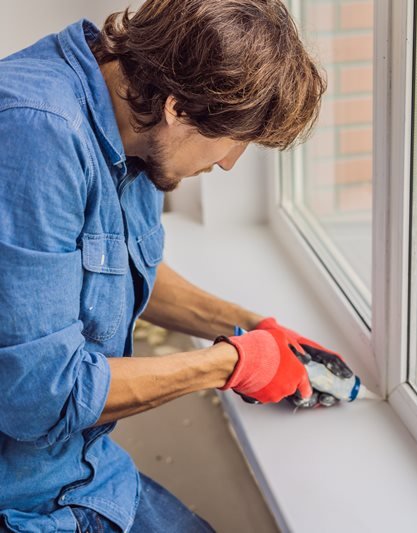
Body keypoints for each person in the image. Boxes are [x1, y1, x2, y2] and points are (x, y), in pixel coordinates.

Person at [0, 1, 347, 531]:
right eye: (235, 139)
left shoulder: (124, 116)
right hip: (22, 497)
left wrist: (250, 326)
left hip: (83, 471)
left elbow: (107, 266)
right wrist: (232, 364)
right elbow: (42, 397)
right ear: (178, 107)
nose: (230, 162)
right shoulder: (37, 136)